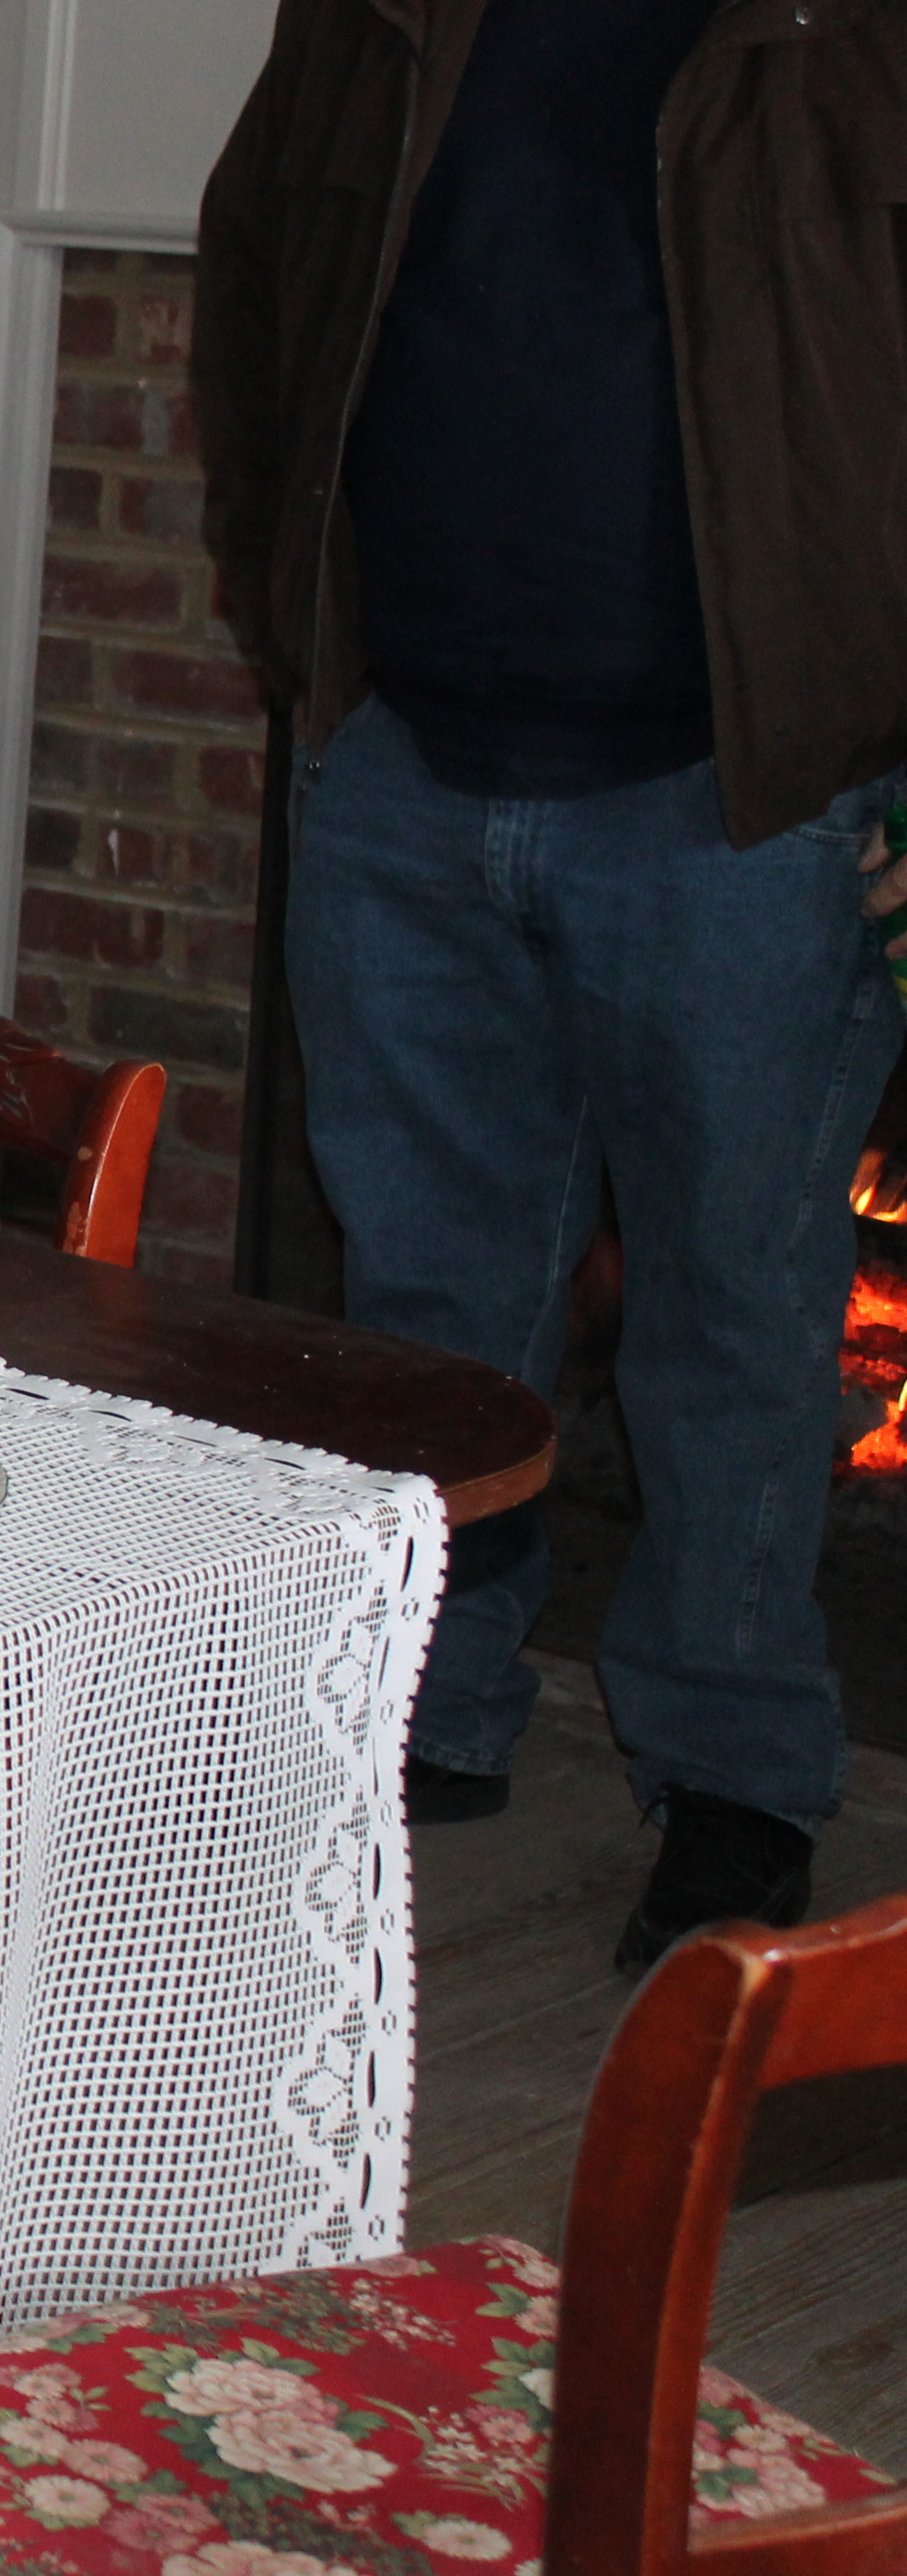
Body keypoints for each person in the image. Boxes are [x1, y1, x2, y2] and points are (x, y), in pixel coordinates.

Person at [192, 0, 907, 1973]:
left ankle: (739, 1771)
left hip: (743, 794)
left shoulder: (837, 37)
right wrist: (298, 639)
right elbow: (259, 286)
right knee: (425, 1298)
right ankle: (430, 1705)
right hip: (407, 766)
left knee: (737, 1306)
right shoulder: (380, 19)